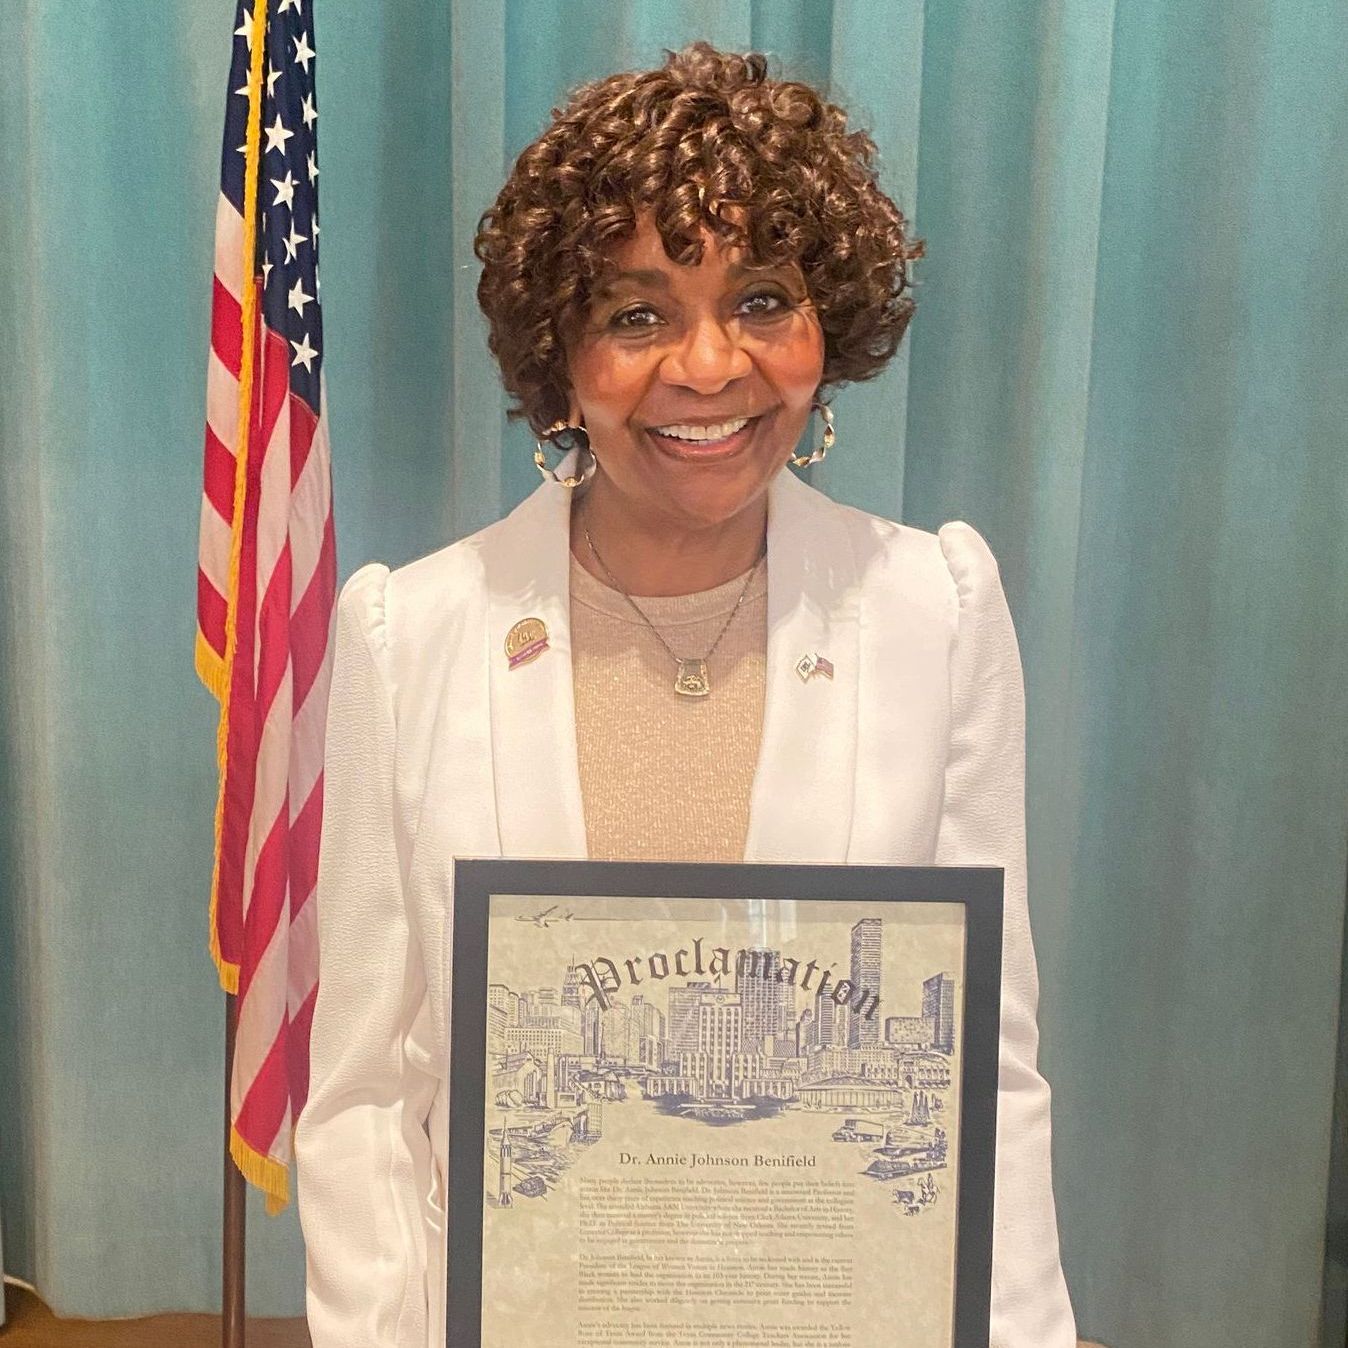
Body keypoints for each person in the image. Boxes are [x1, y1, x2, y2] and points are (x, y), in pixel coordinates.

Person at [295, 41, 1078, 1347]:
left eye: (763, 299)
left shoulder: (934, 609)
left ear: (830, 318)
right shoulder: (408, 633)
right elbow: (371, 1097)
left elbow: (979, 1075)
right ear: (561, 354)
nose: (711, 368)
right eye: (638, 312)